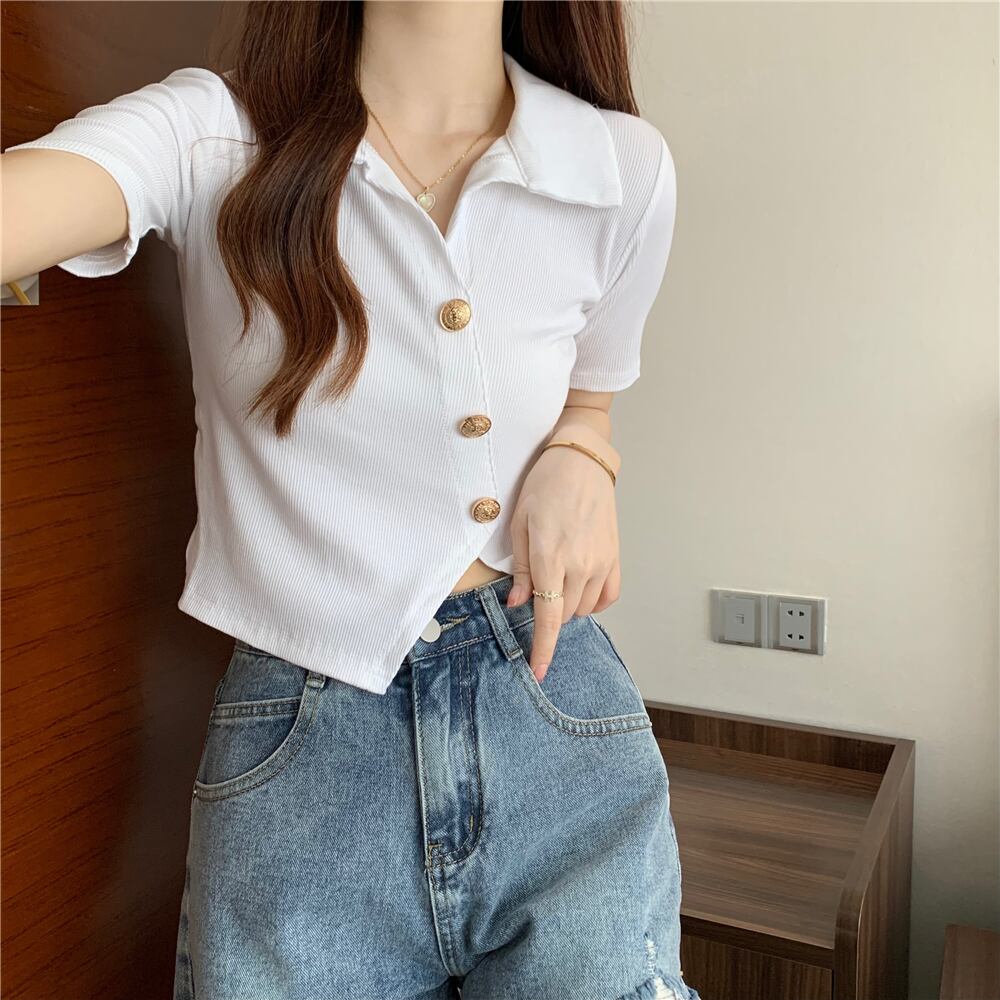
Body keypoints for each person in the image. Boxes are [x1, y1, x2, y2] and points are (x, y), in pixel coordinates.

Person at [1, 2, 698, 998]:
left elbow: (593, 389)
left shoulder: (620, 166)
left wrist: (586, 451)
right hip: (302, 757)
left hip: (557, 715)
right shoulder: (212, 137)